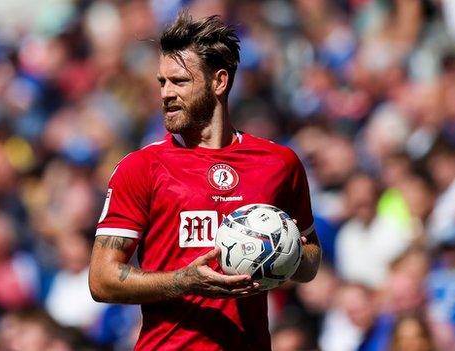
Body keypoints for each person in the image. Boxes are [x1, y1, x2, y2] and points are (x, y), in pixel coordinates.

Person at [88, 12, 321, 351]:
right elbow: (102, 280)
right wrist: (184, 282)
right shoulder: (140, 167)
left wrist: (279, 255)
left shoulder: (279, 164)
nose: (166, 93)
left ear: (219, 82)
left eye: (179, 81)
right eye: (161, 82)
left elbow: (311, 258)